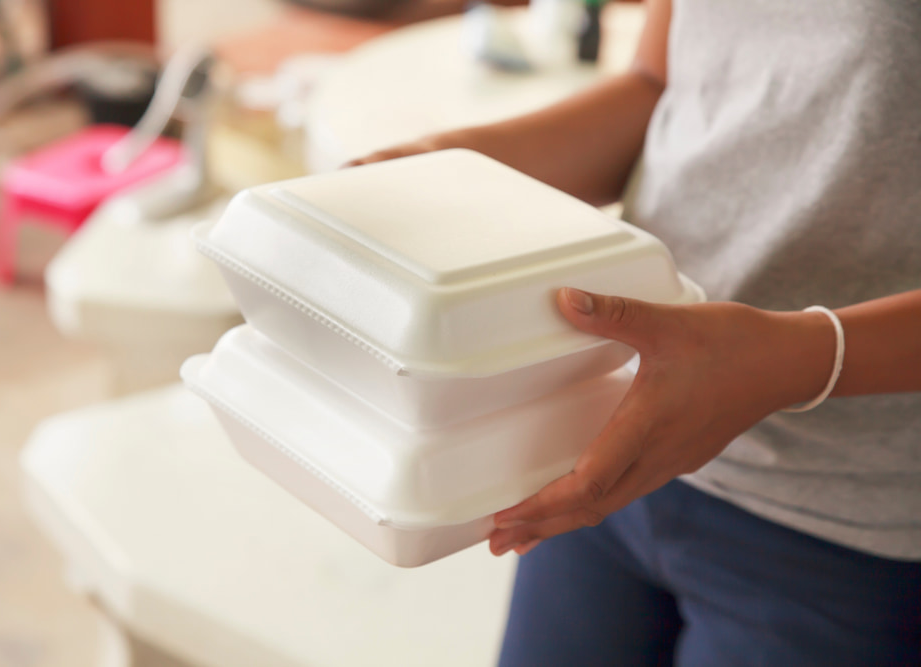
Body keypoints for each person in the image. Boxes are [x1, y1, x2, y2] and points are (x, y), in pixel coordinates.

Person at [349, 0, 921, 664]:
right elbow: (662, 84)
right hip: (611, 442)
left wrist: (797, 359)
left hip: (841, 532)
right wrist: (444, 170)